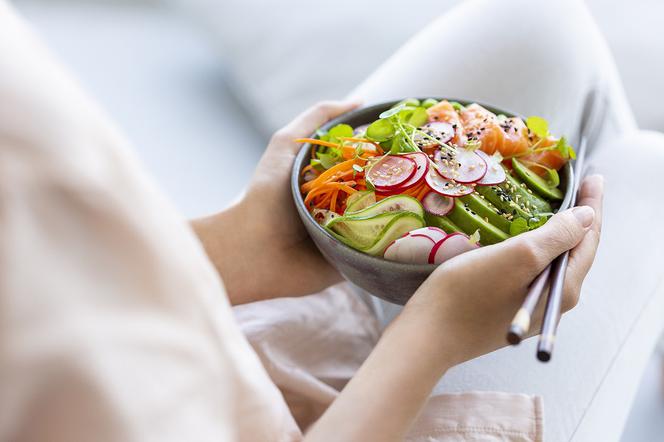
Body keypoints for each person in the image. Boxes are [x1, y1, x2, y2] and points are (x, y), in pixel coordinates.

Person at [0, 2, 661, 442]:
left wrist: (237, 247)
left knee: (536, 23)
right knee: (646, 166)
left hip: (215, 333)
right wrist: (431, 336)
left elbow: (48, 285)